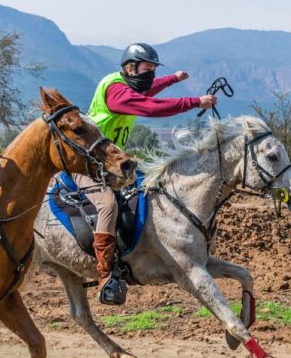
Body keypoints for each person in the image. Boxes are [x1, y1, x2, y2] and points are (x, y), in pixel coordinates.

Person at [81, 42, 215, 304]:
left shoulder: (130, 84)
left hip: (114, 164)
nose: (150, 75)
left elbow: (149, 90)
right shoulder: (116, 90)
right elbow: (149, 106)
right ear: (130, 68)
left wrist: (173, 79)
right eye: (147, 68)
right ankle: (107, 275)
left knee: (153, 188)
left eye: (154, 69)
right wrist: (195, 101)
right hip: (90, 162)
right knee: (108, 205)